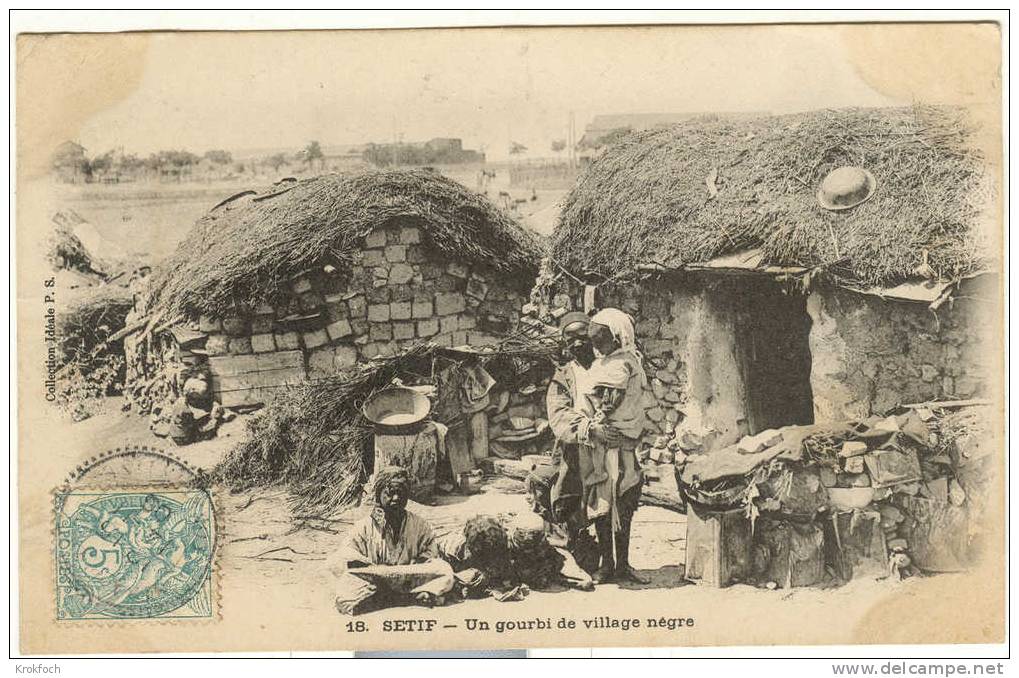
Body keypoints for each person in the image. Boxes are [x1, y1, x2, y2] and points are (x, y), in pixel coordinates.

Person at [525, 311, 627, 578]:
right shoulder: (564, 377)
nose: (578, 344)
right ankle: (600, 559)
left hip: (614, 446)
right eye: (571, 340)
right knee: (582, 502)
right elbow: (558, 414)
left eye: (582, 337)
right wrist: (591, 429)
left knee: (621, 501)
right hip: (578, 450)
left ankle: (622, 563)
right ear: (564, 343)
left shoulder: (611, 366)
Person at [330, 466, 454, 615]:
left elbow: (431, 548)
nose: (396, 498)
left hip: (409, 576)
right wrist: (363, 564)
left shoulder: (419, 524)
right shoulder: (364, 526)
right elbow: (347, 552)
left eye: (401, 494)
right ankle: (408, 598)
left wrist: (421, 559)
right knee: (343, 580)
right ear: (378, 495)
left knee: (444, 569)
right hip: (377, 578)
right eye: (390, 493)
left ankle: (389, 599)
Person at [582, 308, 648, 584]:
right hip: (606, 445)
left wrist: (603, 420)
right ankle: (608, 564)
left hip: (622, 447)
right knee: (604, 506)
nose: (596, 344)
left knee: (624, 504)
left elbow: (611, 401)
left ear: (618, 337)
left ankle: (621, 564)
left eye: (601, 338)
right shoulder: (607, 363)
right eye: (595, 339)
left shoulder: (622, 363)